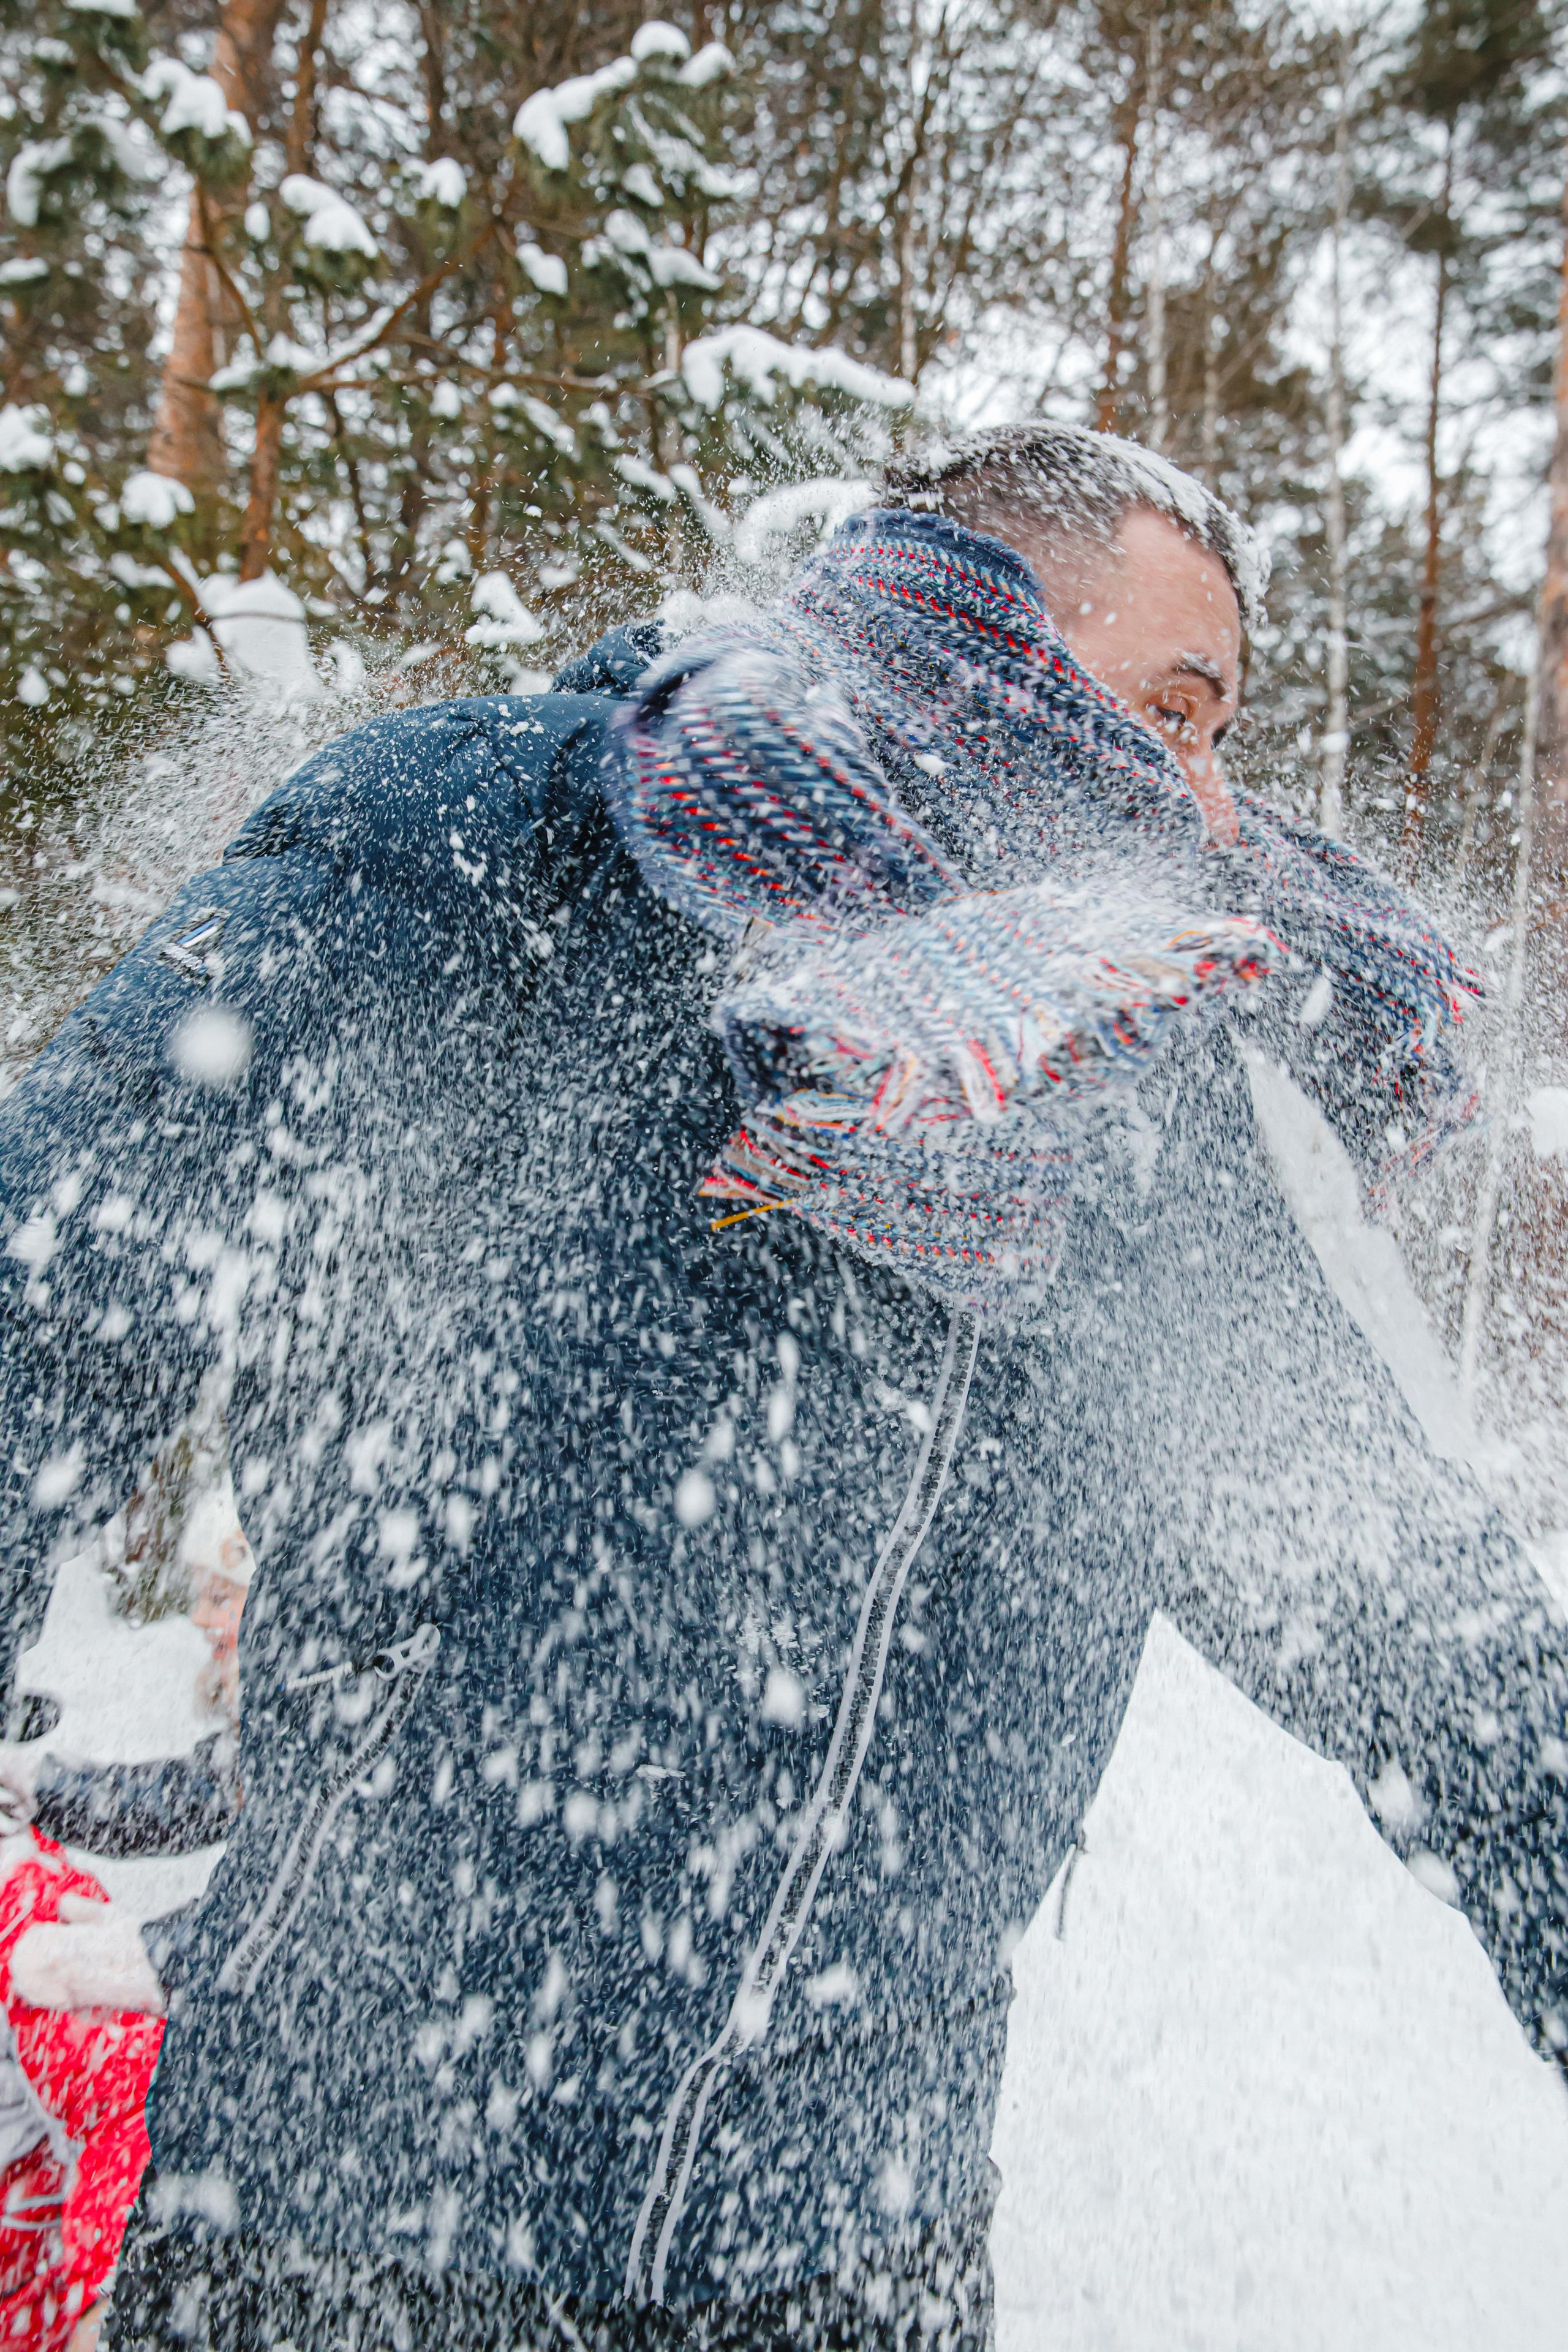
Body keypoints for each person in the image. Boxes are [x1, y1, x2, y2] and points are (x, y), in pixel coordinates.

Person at [0, 421, 1559, 2352]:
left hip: (849, 2249)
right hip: (348, 2216)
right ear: (967, 630)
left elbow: (1417, 1626)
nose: (1212, 810)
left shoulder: (1135, 1099)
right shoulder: (490, 839)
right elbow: (47, 1300)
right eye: (1174, 714)